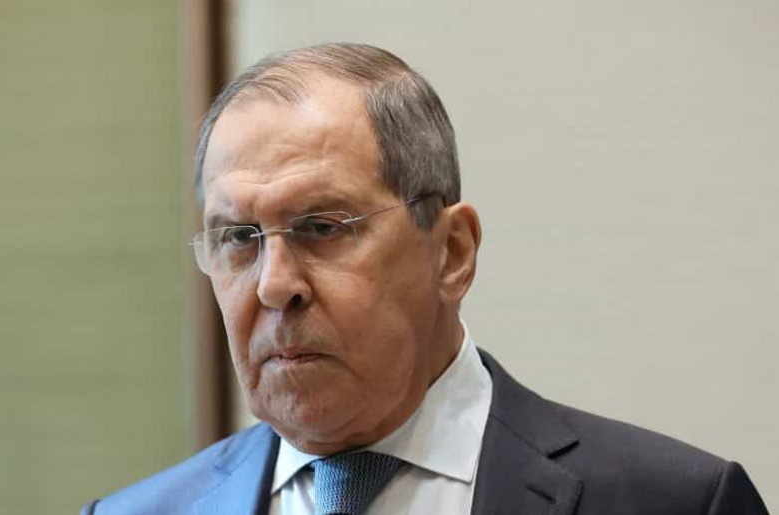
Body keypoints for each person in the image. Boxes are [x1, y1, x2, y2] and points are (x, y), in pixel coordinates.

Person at [82, 43, 768, 515]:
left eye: (322, 227)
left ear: (452, 253)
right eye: (239, 238)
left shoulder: (676, 501)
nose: (273, 285)